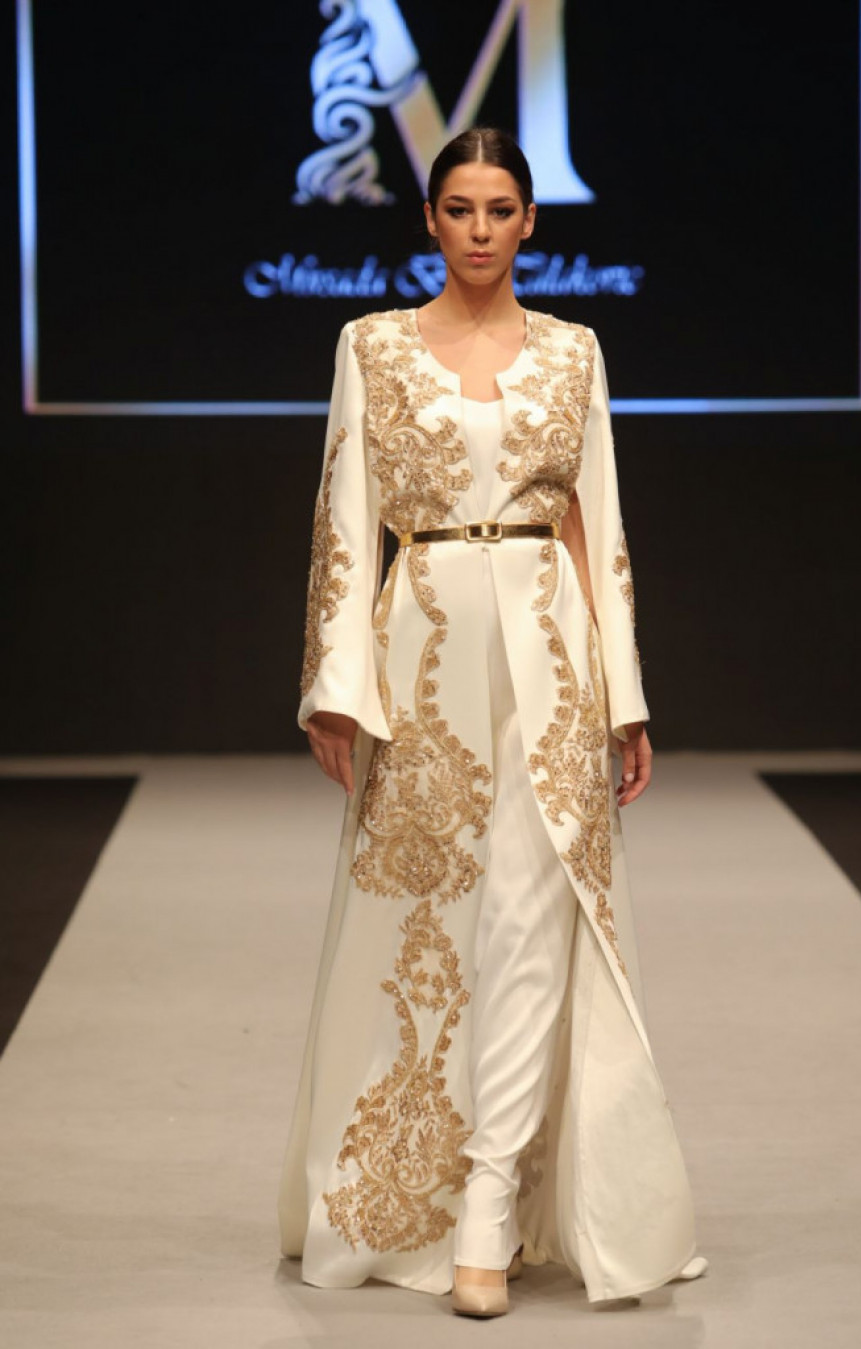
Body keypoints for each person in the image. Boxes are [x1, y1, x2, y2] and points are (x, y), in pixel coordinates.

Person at [278, 127, 706, 1318]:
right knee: (419, 931)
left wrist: (624, 695)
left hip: (549, 652)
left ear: (530, 220)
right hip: (420, 651)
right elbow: (344, 514)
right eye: (459, 207)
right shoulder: (370, 345)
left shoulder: (574, 352)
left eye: (500, 208)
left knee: (530, 913)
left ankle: (488, 1203)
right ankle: (394, 1189)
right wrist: (334, 683)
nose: (479, 228)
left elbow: (596, 526)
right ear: (429, 218)